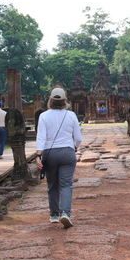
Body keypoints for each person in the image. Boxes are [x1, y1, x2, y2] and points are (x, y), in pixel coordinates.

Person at [35, 87, 82, 229]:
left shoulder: (44, 116)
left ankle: (54, 214)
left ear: (50, 100)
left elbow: (41, 137)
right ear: (65, 101)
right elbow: (78, 137)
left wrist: (38, 155)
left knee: (52, 184)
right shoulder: (71, 115)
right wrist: (75, 146)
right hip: (67, 152)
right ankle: (65, 213)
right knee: (66, 184)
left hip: (50, 153)